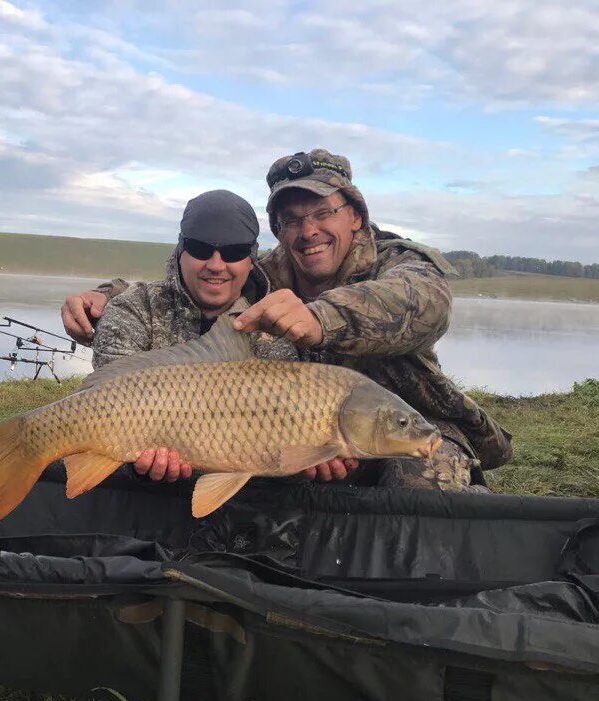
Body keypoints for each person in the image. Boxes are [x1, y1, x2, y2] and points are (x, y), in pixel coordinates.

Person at [63, 151, 512, 491]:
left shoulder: (399, 263)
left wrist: (321, 318)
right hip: (303, 431)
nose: (308, 230)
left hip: (403, 423)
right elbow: (209, 266)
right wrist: (107, 295)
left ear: (356, 215)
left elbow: (425, 304)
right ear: (278, 229)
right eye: (292, 220)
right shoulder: (271, 271)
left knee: (418, 487)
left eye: (323, 213)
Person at [89, 189, 304, 484]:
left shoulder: (271, 328)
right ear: (181, 250)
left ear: (251, 259)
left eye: (233, 252)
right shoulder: (132, 307)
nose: (216, 265)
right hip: (140, 485)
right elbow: (108, 401)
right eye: (201, 248)